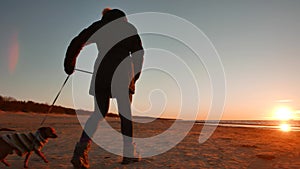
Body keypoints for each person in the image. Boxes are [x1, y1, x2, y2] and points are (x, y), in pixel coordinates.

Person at [64, 8, 144, 169]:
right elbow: (139, 54)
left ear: (104, 16)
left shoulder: (99, 26)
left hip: (102, 72)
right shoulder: (129, 28)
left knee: (98, 113)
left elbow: (78, 41)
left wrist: (69, 64)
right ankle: (128, 153)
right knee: (125, 114)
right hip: (124, 73)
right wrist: (134, 76)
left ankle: (80, 151)